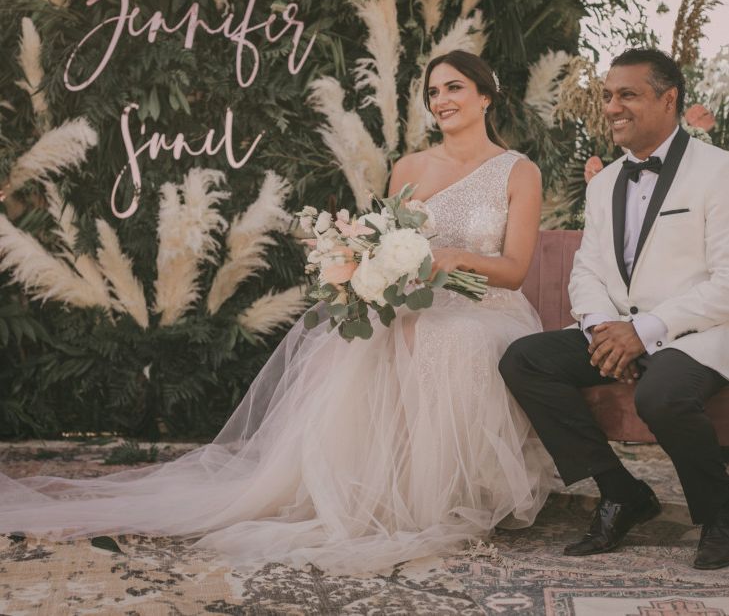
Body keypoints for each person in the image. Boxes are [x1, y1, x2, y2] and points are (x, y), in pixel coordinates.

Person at [0, 50, 553, 575]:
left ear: (486, 97)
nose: (440, 100)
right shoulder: (409, 165)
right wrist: (368, 268)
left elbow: (514, 269)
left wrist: (450, 256)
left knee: (450, 338)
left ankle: (453, 491)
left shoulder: (516, 171)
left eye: (454, 88)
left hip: (484, 304)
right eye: (433, 91)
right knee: (357, 340)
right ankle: (370, 487)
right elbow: (382, 242)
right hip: (412, 299)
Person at [499, 48, 729, 570]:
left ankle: (720, 514)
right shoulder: (604, 184)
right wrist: (605, 329)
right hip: (620, 326)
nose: (611, 106)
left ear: (669, 100)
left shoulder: (719, 172)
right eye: (607, 95)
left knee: (663, 394)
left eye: (627, 94)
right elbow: (588, 269)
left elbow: (726, 282)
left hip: (696, 330)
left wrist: (642, 332)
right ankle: (621, 491)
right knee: (524, 359)